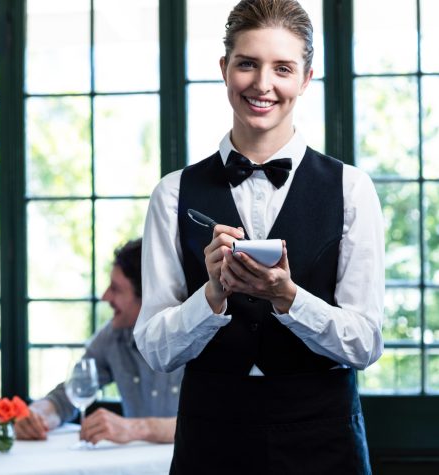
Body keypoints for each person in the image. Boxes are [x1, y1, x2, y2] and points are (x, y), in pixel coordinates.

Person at [133, 1, 384, 473]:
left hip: (322, 436)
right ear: (224, 69)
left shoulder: (352, 189)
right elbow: (154, 349)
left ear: (306, 79)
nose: (262, 84)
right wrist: (211, 296)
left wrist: (290, 299)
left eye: (282, 68)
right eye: (247, 63)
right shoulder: (172, 193)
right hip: (210, 435)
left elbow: (364, 344)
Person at [15, 238, 182, 444]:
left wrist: (136, 428)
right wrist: (37, 415)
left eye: (116, 289)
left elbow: (214, 423)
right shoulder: (112, 337)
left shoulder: (199, 336)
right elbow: (69, 395)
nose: (105, 297)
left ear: (148, 295)